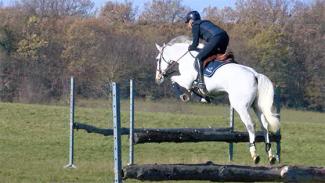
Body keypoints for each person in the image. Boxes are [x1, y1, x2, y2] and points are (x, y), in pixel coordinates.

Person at [185, 10, 229, 96]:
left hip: (216, 38)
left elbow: (195, 44)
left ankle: (201, 83)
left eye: (187, 22)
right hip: (225, 37)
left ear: (191, 20)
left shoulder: (195, 25)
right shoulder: (205, 22)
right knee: (216, 58)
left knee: (198, 58)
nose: (188, 25)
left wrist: (189, 47)